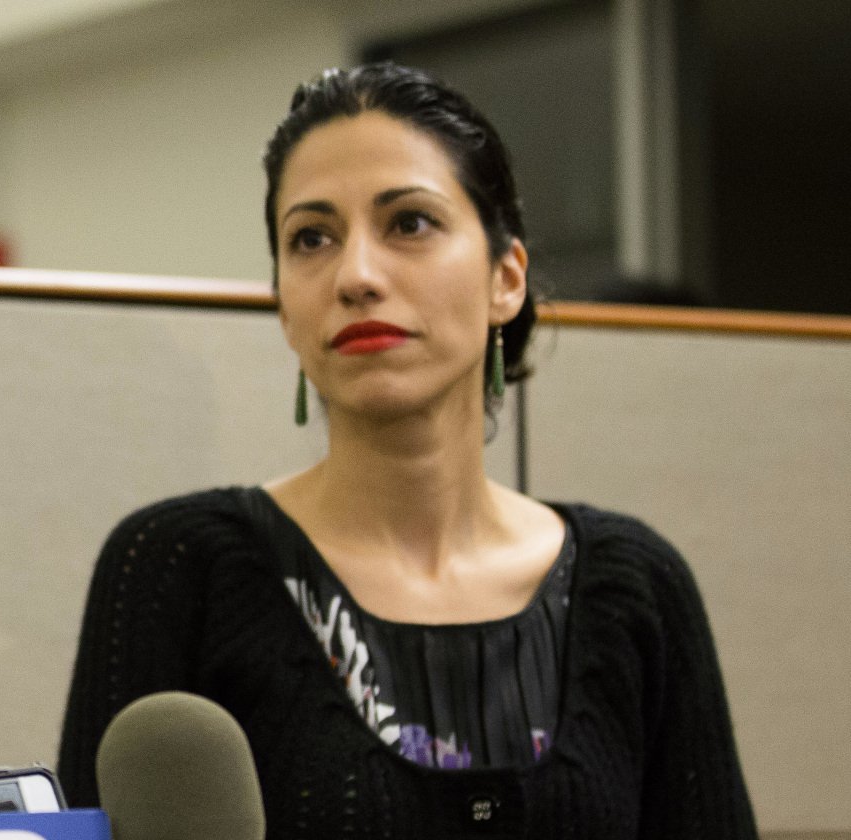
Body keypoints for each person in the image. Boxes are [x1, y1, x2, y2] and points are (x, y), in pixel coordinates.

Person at [57, 63, 757, 838]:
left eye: (409, 223)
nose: (355, 275)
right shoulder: (177, 568)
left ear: (505, 278)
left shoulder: (635, 585)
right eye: (311, 238)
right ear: (284, 307)